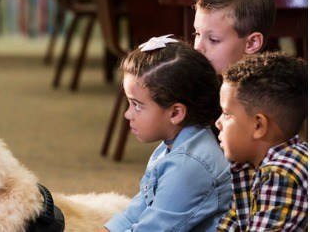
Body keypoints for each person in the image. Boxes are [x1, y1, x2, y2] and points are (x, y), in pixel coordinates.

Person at [105, 35, 231, 231]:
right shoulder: (172, 146)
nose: (127, 114)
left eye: (136, 105)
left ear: (175, 113)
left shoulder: (188, 165)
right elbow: (137, 211)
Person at [216, 53, 307, 231]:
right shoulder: (248, 166)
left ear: (258, 125)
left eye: (226, 114)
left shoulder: (282, 175)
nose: (218, 123)